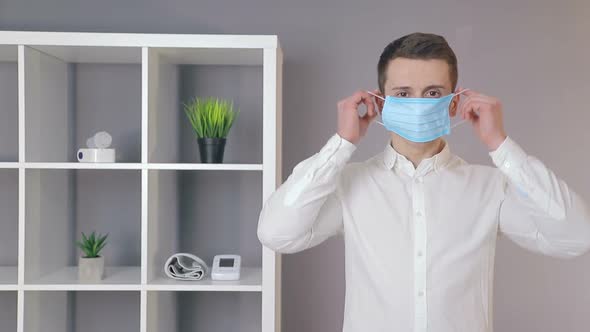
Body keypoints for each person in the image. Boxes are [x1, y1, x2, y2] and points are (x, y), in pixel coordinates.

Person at [256, 32, 590, 332]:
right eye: (403, 93)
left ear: (455, 101)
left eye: (433, 93)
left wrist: (501, 145)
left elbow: (576, 236)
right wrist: (342, 143)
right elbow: (276, 233)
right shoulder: (349, 184)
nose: (417, 104)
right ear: (380, 102)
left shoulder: (490, 187)